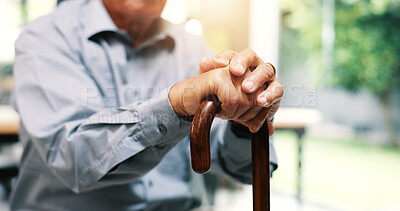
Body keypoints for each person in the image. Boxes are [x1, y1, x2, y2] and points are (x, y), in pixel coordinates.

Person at [10, 0, 283, 210]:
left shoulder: (190, 45)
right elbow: (74, 158)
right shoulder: (46, 37)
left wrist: (245, 116)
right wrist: (175, 105)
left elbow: (242, 167)